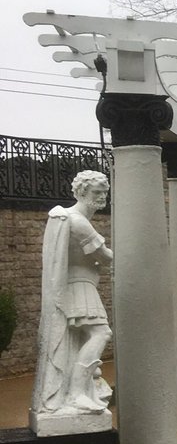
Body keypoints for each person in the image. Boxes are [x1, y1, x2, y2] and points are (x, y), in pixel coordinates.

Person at [31, 170, 114, 416]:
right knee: (101, 332)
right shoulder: (77, 221)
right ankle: (77, 393)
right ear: (81, 192)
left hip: (82, 284)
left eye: (104, 192)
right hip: (78, 286)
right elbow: (105, 257)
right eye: (96, 192)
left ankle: (80, 390)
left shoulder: (74, 219)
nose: (101, 197)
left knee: (85, 337)